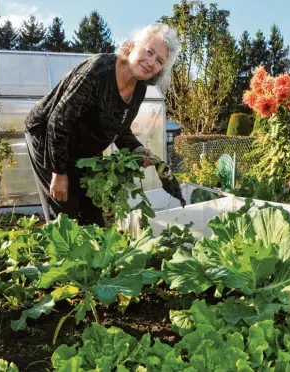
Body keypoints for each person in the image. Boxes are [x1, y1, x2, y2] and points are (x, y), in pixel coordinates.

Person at [24, 23, 185, 227]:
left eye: (159, 60)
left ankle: (93, 252)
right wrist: (59, 173)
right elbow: (59, 121)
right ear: (134, 45)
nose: (151, 62)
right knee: (66, 211)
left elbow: (119, 129)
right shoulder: (98, 72)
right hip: (48, 136)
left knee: (92, 211)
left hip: (84, 147)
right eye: (149, 51)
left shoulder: (139, 90)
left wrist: (137, 150)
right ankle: (64, 252)